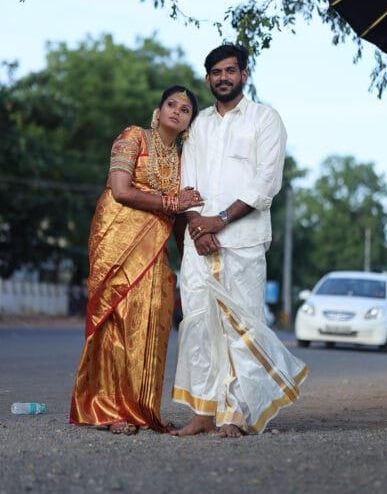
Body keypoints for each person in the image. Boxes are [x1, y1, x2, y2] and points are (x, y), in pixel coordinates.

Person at [170, 44, 308, 438]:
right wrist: (198, 226)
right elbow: (187, 181)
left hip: (243, 240)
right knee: (198, 323)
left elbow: (266, 183)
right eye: (216, 72)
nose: (223, 78)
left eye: (230, 70)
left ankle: (235, 412)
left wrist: (220, 221)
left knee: (241, 326)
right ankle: (203, 411)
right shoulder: (199, 125)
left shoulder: (265, 119)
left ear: (244, 74)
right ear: (207, 78)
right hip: (199, 242)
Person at [69, 85, 202, 435]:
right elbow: (120, 190)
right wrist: (172, 203)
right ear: (158, 110)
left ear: (189, 123)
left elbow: (181, 216)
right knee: (118, 318)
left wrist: (190, 258)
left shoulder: (185, 161)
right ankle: (110, 410)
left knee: (152, 318)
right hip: (116, 238)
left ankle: (141, 409)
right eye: (171, 104)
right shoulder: (133, 137)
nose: (176, 111)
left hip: (154, 246)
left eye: (185, 109)